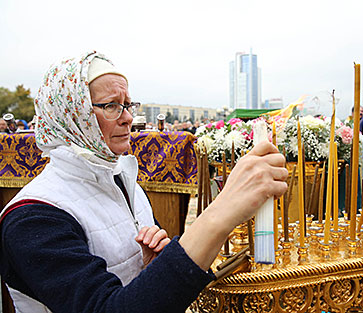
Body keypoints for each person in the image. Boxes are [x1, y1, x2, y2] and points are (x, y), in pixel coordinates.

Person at [0, 52, 288, 313]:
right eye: (111, 106)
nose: (128, 118)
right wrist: (222, 211)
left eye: (127, 105)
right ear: (72, 117)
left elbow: (141, 294)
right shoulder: (32, 218)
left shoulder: (123, 180)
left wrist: (151, 270)